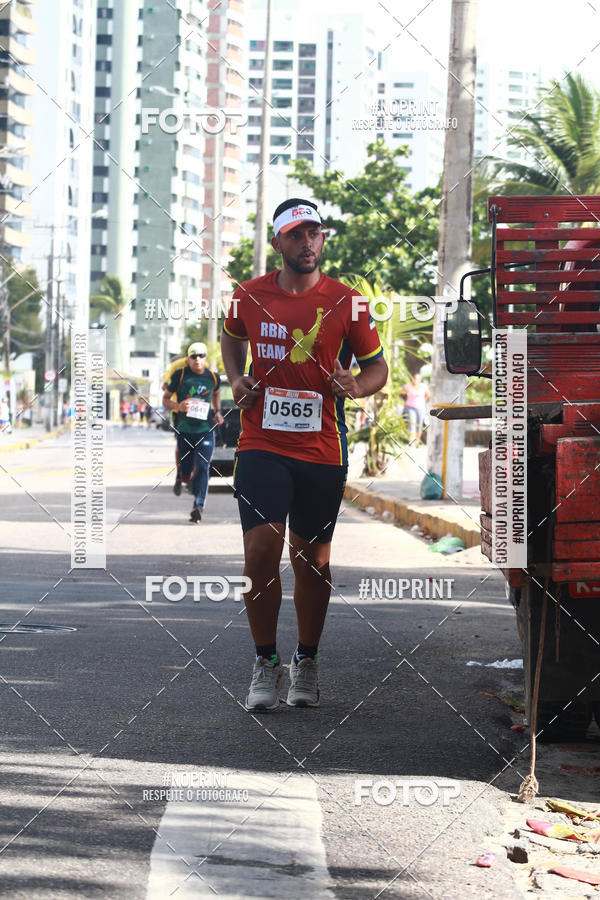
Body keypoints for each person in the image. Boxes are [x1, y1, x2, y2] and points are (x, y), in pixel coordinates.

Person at [221, 197, 388, 711]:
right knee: (260, 554)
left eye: (315, 233)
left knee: (312, 562)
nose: (308, 242)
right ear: (278, 243)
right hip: (261, 444)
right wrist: (235, 378)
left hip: (321, 447)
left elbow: (376, 368)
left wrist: (353, 386)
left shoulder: (348, 301)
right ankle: (265, 661)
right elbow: (230, 338)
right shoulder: (247, 295)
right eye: (297, 234)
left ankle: (307, 660)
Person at [162, 342, 224, 522]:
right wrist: (178, 406)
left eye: (201, 356)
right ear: (187, 359)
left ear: (206, 358)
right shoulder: (179, 375)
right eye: (194, 356)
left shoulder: (213, 377)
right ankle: (181, 474)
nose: (198, 359)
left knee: (204, 466)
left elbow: (216, 393)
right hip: (185, 429)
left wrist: (218, 411)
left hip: (205, 429)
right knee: (187, 471)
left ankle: (199, 506)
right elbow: (165, 399)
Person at [401, 373, 430, 443]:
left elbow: (428, 394)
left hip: (421, 408)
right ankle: (411, 441)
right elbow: (401, 393)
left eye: (417, 378)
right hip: (410, 407)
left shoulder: (423, 386)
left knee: (419, 425)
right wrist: (405, 400)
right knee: (412, 423)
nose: (415, 380)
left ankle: (417, 441)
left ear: (420, 380)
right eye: (414, 378)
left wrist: (423, 400)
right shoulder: (408, 386)